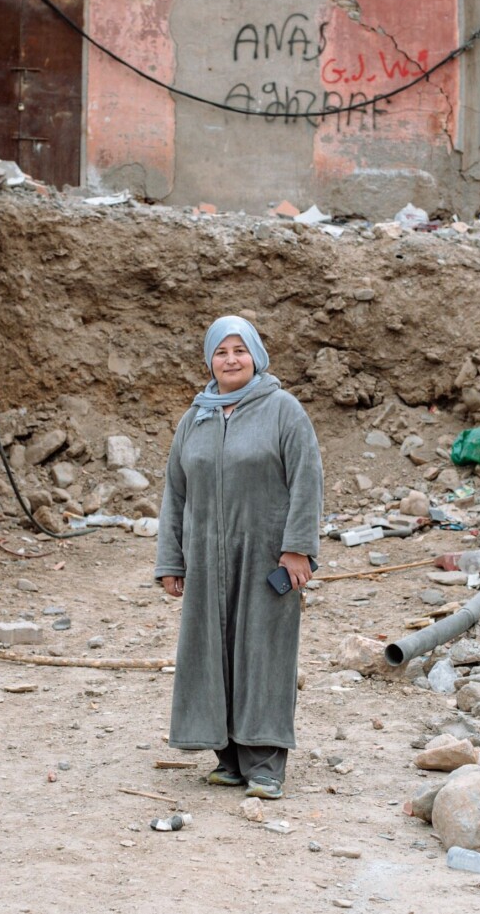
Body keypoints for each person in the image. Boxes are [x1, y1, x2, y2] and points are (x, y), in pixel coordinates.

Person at [155, 315, 323, 800]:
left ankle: (266, 764)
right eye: (222, 352)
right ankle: (227, 758)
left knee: (264, 654)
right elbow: (175, 492)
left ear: (256, 356)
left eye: (240, 350)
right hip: (207, 557)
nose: (231, 360)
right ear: (210, 360)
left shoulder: (283, 411)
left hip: (266, 555)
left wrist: (297, 548)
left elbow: (307, 480)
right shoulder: (197, 417)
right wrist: (171, 560)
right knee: (210, 651)